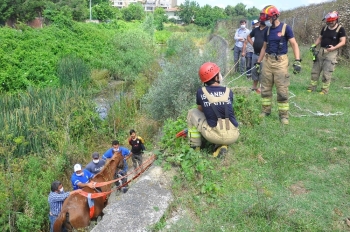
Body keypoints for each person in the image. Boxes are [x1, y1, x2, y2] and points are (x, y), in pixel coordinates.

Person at [255, 5, 301, 125]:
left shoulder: (286, 28)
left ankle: (284, 116)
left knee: (282, 90)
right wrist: (258, 62)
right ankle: (265, 111)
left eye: (268, 18)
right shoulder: (267, 30)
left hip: (281, 62)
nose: (266, 21)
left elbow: (294, 44)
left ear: (275, 16)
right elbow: (264, 47)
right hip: (268, 61)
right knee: (265, 88)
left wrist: (297, 60)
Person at [187, 62, 240, 158]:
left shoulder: (201, 92)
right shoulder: (229, 91)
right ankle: (221, 146)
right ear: (216, 78)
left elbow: (200, 110)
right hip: (233, 134)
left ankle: (195, 148)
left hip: (214, 135)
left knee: (192, 113)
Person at [307, 11, 346, 94]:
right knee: (315, 70)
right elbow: (320, 38)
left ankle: (324, 90)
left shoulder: (340, 29)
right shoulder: (325, 28)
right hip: (321, 51)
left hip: (331, 53)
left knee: (327, 72)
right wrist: (314, 45)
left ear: (336, 20)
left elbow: (343, 41)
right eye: (329, 21)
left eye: (332, 21)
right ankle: (312, 88)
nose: (330, 23)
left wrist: (334, 47)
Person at [246, 19, 268, 93]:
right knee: (255, 71)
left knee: (262, 72)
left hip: (264, 55)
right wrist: (253, 44)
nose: (260, 22)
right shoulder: (256, 30)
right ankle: (254, 87)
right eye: (260, 21)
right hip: (255, 54)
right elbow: (248, 37)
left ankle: (261, 88)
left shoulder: (268, 30)